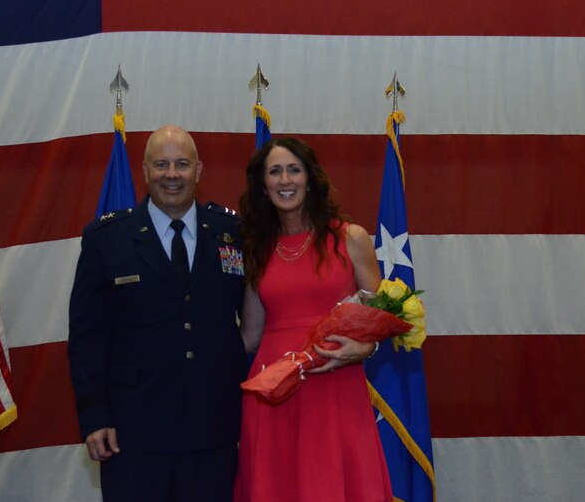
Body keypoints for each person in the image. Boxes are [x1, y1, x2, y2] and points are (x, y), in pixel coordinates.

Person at [68, 125, 247, 501]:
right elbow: (87, 337)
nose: (172, 175)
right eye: (161, 164)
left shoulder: (232, 234)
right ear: (145, 170)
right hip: (133, 431)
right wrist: (95, 415)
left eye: (182, 164)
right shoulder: (106, 239)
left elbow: (254, 319)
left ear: (198, 171)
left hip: (212, 427)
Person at [234, 137, 393, 501]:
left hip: (334, 387)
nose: (285, 180)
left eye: (294, 170)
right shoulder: (256, 248)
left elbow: (381, 319)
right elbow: (251, 335)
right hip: (273, 395)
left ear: (310, 178)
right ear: (263, 185)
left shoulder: (351, 238)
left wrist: (365, 348)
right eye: (275, 172)